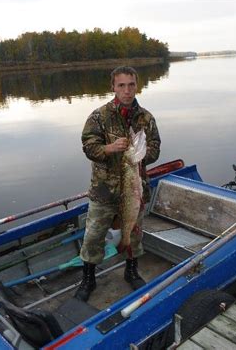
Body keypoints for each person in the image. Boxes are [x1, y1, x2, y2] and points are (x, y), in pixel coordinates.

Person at [75, 66, 161, 302]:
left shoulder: (146, 118)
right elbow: (88, 147)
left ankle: (131, 270)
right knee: (93, 235)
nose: (126, 90)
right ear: (113, 87)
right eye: (121, 85)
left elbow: (154, 149)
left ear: (137, 85)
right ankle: (88, 278)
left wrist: (142, 153)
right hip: (103, 191)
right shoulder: (99, 116)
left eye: (131, 84)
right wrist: (109, 148)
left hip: (134, 189)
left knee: (133, 232)